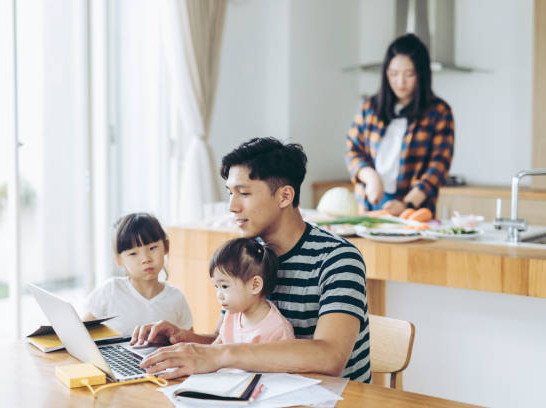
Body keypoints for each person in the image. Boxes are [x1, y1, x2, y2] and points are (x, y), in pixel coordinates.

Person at [130, 137, 371, 383]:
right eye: (230, 194)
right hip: (268, 395)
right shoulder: (245, 255)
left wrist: (219, 354)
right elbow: (223, 341)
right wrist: (181, 339)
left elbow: (329, 356)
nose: (232, 207)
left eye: (243, 193)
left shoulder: (338, 259)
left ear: (285, 196)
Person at [346, 33, 454, 216]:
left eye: (409, 74)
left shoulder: (439, 112)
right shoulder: (369, 108)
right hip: (370, 203)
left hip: (414, 208)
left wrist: (407, 204)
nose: (400, 82)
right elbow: (353, 151)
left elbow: (438, 167)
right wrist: (371, 178)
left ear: (421, 74)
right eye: (393, 73)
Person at [83, 213, 193, 336]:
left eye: (152, 248)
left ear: (166, 247)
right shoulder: (111, 290)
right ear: (119, 261)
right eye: (133, 254)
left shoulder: (176, 298)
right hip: (118, 354)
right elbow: (81, 331)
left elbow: (190, 342)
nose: (145, 259)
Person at [209, 238, 294, 344]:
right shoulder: (232, 315)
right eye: (216, 286)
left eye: (225, 286)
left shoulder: (277, 330)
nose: (219, 295)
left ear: (255, 285)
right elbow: (215, 350)